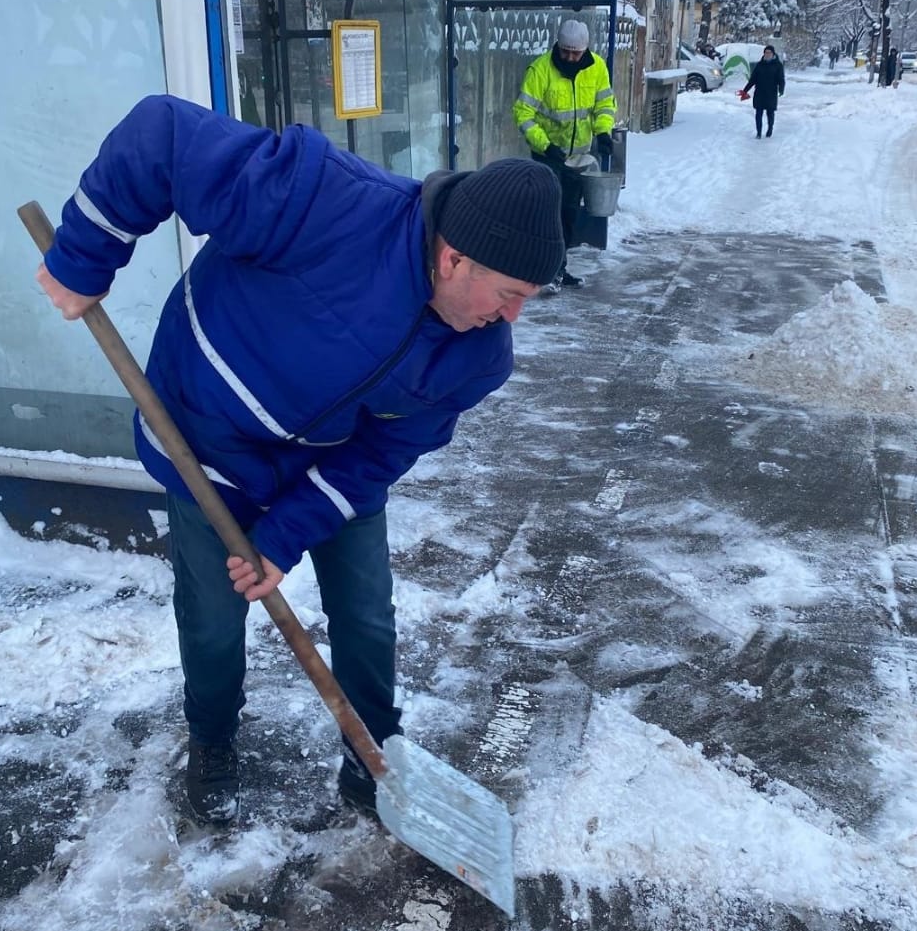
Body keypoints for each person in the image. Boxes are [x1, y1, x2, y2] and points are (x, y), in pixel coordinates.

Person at [35, 95, 564, 823]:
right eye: (509, 295)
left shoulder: (478, 358)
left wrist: (283, 537)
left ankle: (372, 755)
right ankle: (213, 739)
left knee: (368, 615)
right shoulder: (326, 202)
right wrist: (83, 258)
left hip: (330, 463)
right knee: (215, 619)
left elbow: (383, 453)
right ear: (453, 257)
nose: (512, 319)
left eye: (526, 300)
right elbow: (161, 137)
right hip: (207, 443)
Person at [512, 19, 617, 289]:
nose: (570, 57)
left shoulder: (597, 69)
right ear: (558, 46)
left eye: (576, 53)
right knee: (550, 213)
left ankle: (560, 268)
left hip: (577, 158)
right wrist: (545, 145)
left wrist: (603, 132)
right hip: (547, 155)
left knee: (568, 214)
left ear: (585, 50)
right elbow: (523, 113)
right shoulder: (541, 70)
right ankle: (547, 270)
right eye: (565, 51)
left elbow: (604, 104)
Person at [739, 44, 786, 138]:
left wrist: (781, 89)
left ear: (773, 54)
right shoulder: (760, 65)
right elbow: (753, 79)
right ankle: (759, 132)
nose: (767, 54)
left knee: (770, 113)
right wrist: (745, 90)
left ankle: (770, 129)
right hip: (759, 93)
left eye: (769, 53)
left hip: (771, 93)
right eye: (766, 52)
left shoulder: (778, 65)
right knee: (758, 113)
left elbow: (781, 79)